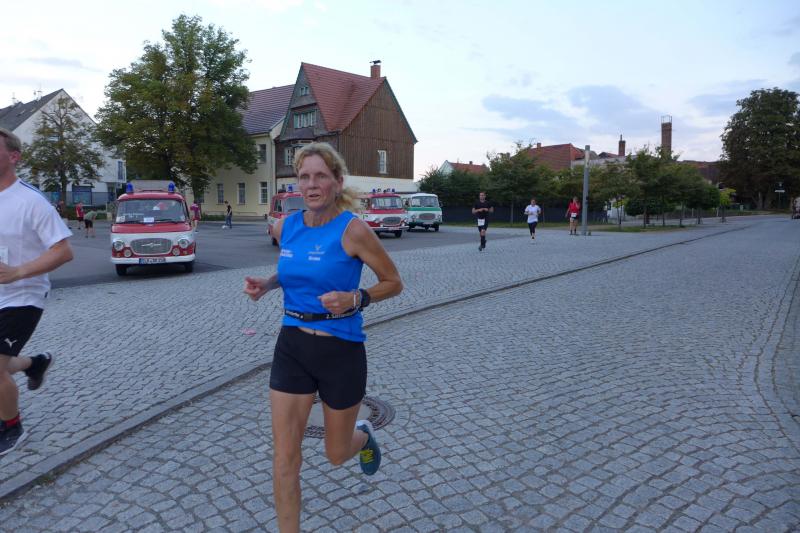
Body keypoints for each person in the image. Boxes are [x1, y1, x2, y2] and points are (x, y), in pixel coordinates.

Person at [243, 142, 402, 532]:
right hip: (292, 345)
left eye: (320, 176)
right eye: (304, 177)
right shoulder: (286, 226)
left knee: (336, 454)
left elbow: (393, 282)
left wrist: (356, 297)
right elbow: (296, 268)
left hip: (341, 350)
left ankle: (363, 437)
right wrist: (269, 282)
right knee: (285, 458)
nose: (311, 185)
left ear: (337, 182)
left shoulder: (353, 230)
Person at [0, 128, 73, 456]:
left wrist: (18, 272)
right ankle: (34, 363)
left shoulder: (31, 200)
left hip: (23, 296)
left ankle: (11, 427)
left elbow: (63, 251)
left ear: (13, 156)